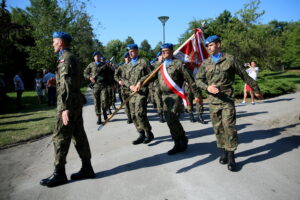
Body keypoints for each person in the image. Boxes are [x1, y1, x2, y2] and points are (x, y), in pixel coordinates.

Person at [195, 35, 263, 171]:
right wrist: (207, 87)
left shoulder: (230, 59)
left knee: (229, 127)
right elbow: (198, 79)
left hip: (227, 100)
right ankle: (223, 152)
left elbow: (244, 75)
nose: (209, 48)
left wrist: (256, 89)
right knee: (218, 128)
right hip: (213, 101)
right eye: (207, 46)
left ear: (218, 44)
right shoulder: (206, 62)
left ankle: (231, 157)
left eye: (211, 45)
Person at [40, 31, 95, 188]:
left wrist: (64, 108)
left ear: (61, 42)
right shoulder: (71, 57)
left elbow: (67, 85)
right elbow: (68, 80)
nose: (52, 44)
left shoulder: (65, 59)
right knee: (78, 135)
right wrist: (55, 80)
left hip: (68, 104)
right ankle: (87, 168)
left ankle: (59, 174)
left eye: (54, 41)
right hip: (75, 102)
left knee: (60, 137)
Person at [149, 43, 202, 155]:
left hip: (175, 96)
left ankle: (180, 140)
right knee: (169, 120)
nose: (163, 53)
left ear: (172, 51)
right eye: (162, 51)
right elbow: (150, 77)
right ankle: (178, 140)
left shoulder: (178, 64)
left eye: (166, 51)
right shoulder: (160, 65)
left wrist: (197, 95)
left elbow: (190, 80)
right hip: (164, 97)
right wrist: (139, 83)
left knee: (173, 118)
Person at [123, 44, 154, 145]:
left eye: (132, 51)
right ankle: (141, 133)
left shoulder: (144, 61)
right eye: (129, 51)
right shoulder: (127, 65)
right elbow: (124, 79)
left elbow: (152, 74)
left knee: (139, 113)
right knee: (133, 115)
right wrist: (130, 86)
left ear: (137, 51)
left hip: (142, 92)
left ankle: (149, 133)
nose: (130, 53)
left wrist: (141, 81)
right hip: (132, 92)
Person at [84, 51, 113, 125]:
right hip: (95, 86)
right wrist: (90, 78)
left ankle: (104, 111)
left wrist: (111, 83)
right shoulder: (91, 65)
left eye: (99, 56)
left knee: (104, 100)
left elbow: (109, 75)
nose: (98, 57)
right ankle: (99, 117)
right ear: (94, 57)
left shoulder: (104, 65)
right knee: (97, 102)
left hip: (103, 86)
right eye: (96, 56)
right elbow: (85, 73)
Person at [114, 52, 133, 124]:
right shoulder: (121, 67)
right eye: (126, 57)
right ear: (124, 58)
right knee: (126, 103)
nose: (127, 58)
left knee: (132, 103)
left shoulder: (133, 65)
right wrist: (118, 81)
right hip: (124, 88)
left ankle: (134, 116)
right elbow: (115, 75)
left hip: (132, 87)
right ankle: (129, 117)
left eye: (128, 57)